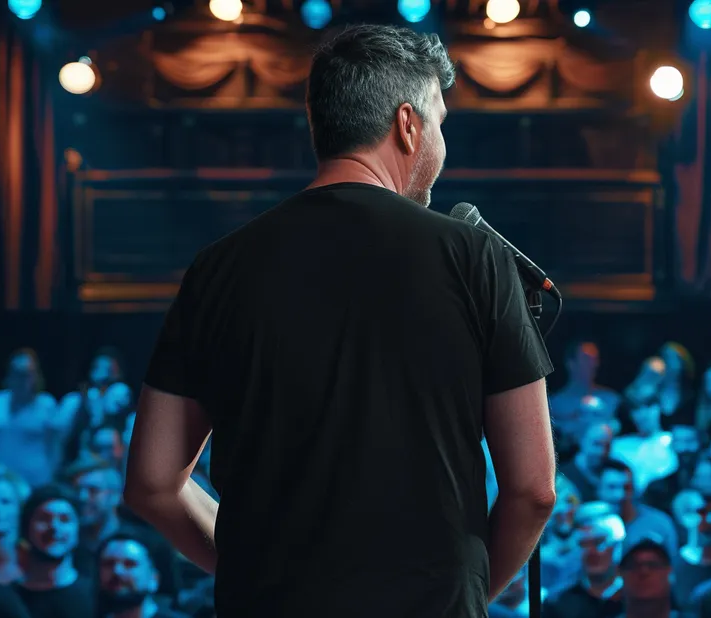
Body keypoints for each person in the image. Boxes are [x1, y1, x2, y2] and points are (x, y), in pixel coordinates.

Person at [123, 24, 557, 618]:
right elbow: (534, 489)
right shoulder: (473, 257)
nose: (442, 145)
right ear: (408, 124)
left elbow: (151, 481)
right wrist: (466, 594)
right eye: (441, 124)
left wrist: (260, 570)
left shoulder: (218, 268)